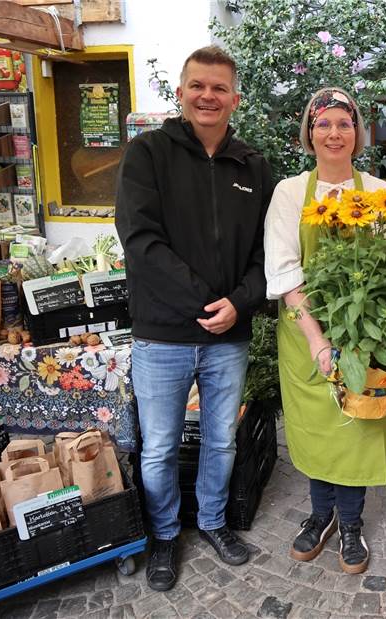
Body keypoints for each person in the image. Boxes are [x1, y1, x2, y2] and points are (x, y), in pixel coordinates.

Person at [115, 45, 272, 591]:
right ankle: (163, 535)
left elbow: (264, 253)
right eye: (198, 86)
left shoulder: (253, 165)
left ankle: (211, 522)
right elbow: (141, 241)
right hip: (162, 335)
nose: (209, 96)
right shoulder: (147, 154)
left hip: (230, 333)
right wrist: (204, 301)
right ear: (181, 92)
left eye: (220, 88)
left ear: (235, 99)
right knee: (157, 446)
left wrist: (241, 302)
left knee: (222, 441)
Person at [264, 88, 386, 575]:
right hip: (305, 335)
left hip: (367, 336)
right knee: (316, 431)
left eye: (344, 123)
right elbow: (283, 271)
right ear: (309, 134)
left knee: (358, 426)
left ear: (358, 132)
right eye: (323, 124)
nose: (334, 132)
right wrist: (319, 339)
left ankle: (351, 524)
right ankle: (320, 515)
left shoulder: (382, 194)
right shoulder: (288, 192)